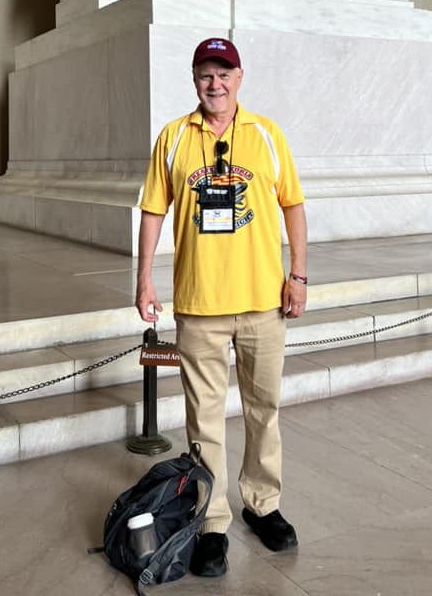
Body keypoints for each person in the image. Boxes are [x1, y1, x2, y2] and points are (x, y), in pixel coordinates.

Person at [136, 36, 309, 577]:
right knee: (204, 419)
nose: (216, 84)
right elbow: (152, 211)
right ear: (194, 80)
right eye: (206, 74)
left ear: (240, 78)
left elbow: (293, 205)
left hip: (263, 302)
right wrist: (143, 279)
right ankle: (211, 522)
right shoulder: (173, 138)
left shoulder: (266, 134)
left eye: (224, 73)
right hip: (200, 305)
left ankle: (262, 504)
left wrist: (299, 275)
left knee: (264, 409)